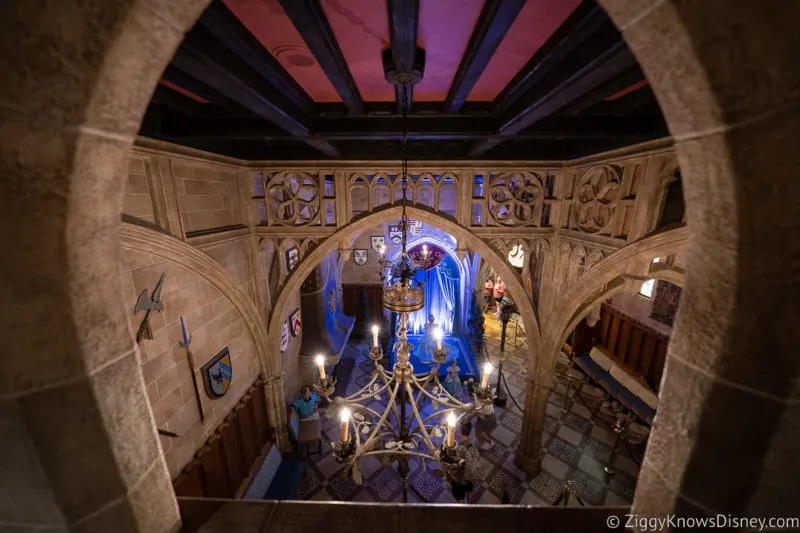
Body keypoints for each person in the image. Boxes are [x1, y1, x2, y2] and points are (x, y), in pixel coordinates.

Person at [450, 420, 480, 504]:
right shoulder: (475, 442)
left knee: (460, 498)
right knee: (470, 491)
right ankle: (470, 505)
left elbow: (455, 467)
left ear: (459, 432)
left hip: (460, 480)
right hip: (471, 476)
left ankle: (462, 510)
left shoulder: (459, 449)